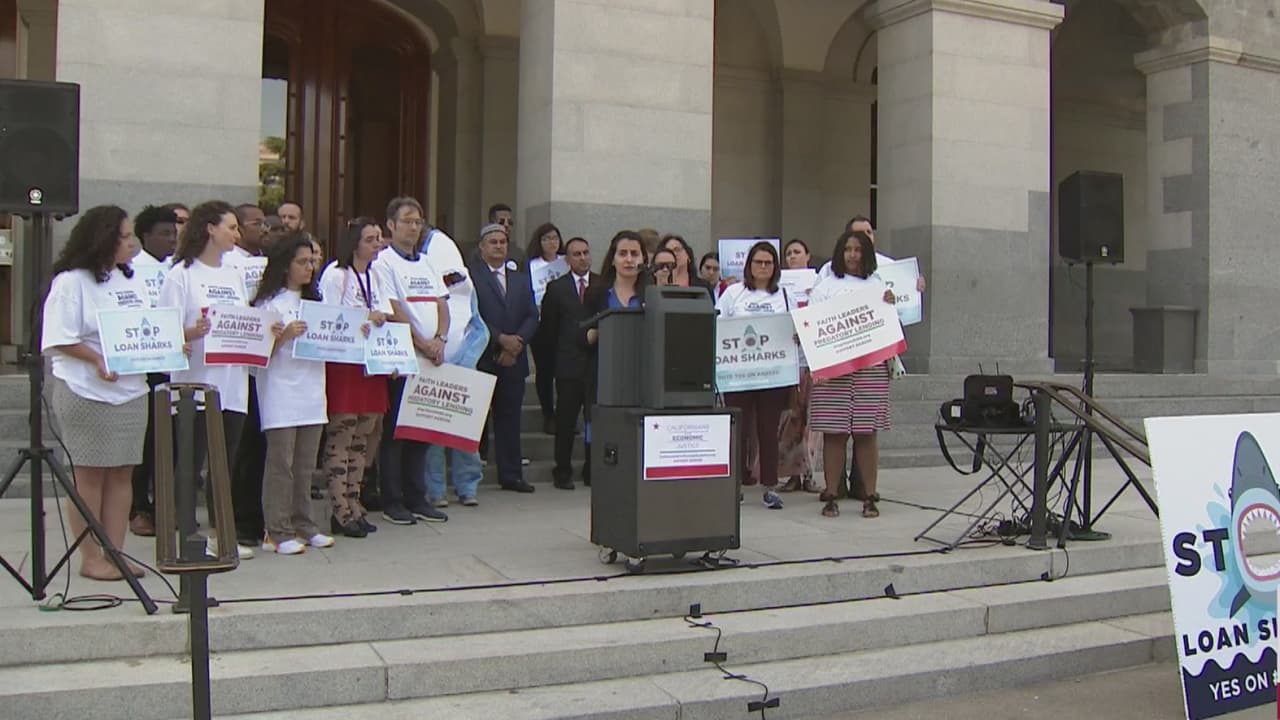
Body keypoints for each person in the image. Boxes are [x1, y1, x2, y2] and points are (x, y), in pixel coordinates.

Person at [42, 205, 151, 579]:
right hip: (86, 390)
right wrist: (96, 360)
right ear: (103, 239)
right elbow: (58, 338)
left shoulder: (131, 280)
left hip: (130, 391)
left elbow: (146, 328)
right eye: (125, 236)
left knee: (122, 473)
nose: (132, 243)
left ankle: (115, 553)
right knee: (89, 475)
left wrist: (172, 343)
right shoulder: (71, 283)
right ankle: (90, 558)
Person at [158, 200, 255, 558]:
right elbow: (164, 331)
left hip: (233, 383)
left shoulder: (234, 274)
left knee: (223, 462)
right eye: (231, 227)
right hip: (195, 384)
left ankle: (221, 534)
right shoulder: (181, 275)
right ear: (210, 229)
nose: (237, 234)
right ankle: (186, 534)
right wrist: (190, 332)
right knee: (191, 460)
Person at [251, 234, 335, 554]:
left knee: (304, 465)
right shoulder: (268, 304)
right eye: (302, 262)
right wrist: (284, 336)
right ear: (285, 265)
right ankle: (277, 530)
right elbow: (256, 355)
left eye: (312, 261)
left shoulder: (316, 302)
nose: (309, 268)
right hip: (280, 390)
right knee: (281, 464)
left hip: (312, 390)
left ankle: (305, 524)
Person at [371, 196, 450, 525]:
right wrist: (421, 342)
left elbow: (442, 303)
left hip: (431, 358)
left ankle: (418, 497)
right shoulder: (383, 262)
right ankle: (393, 499)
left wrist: (441, 339)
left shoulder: (427, 262)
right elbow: (393, 308)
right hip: (403, 357)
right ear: (391, 225)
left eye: (418, 221)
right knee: (397, 433)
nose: (414, 227)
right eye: (407, 221)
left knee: (422, 431)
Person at [809, 230, 896, 519]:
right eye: (847, 249)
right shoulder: (826, 286)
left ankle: (869, 496)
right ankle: (832, 494)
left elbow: (890, 325)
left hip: (870, 367)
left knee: (866, 432)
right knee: (834, 433)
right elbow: (813, 325)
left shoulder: (877, 285)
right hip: (833, 370)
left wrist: (890, 304)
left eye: (858, 250)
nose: (852, 255)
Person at [318, 218, 391, 537]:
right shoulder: (336, 274)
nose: (377, 244)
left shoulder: (377, 274)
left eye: (379, 238)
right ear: (354, 243)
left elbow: (385, 310)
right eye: (370, 239)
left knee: (364, 437)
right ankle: (339, 509)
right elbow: (328, 317)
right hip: (344, 363)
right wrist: (365, 317)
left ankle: (354, 502)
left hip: (370, 362)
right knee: (342, 435)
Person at [715, 241, 794, 509]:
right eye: (758, 262)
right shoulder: (733, 293)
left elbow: (794, 327)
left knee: (768, 431)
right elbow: (718, 325)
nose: (763, 267)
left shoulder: (784, 295)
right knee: (739, 430)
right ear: (749, 266)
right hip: (737, 375)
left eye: (768, 263)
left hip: (773, 375)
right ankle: (735, 485)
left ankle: (769, 486)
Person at [420, 222, 488, 509]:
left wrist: (467, 359)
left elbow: (479, 328)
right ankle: (435, 489)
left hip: (462, 364)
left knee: (464, 430)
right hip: (430, 361)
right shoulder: (423, 282)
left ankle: (468, 484)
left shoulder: (466, 289)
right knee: (432, 431)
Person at [469, 223, 539, 493]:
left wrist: (516, 343)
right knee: (475, 420)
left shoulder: (520, 278)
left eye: (502, 242)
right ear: (482, 247)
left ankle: (511, 475)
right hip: (484, 357)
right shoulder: (472, 277)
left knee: (510, 421)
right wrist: (500, 340)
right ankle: (470, 478)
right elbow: (473, 316)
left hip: (514, 360)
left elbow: (532, 315)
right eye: (493, 242)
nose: (499, 246)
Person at [127, 205, 181, 537]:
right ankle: (139, 507)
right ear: (145, 236)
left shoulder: (178, 269)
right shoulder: (133, 270)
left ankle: (165, 505)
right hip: (145, 365)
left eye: (174, 233)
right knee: (146, 443)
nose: (171, 239)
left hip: (174, 363)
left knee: (170, 441)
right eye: (164, 233)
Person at [539, 236, 598, 490]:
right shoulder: (557, 288)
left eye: (586, 252)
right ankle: (562, 470)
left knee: (594, 421)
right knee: (566, 421)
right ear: (567, 259)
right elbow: (549, 330)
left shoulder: (601, 284)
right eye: (576, 254)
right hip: (568, 366)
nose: (582, 258)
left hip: (595, 365)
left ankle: (592, 469)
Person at [777, 238, 822, 494]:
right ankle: (792, 475)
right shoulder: (778, 287)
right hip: (789, 362)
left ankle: (810, 475)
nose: (792, 256)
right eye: (788, 253)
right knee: (791, 421)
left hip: (813, 362)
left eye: (797, 252)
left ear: (807, 256)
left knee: (812, 425)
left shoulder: (819, 283)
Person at [525, 222, 565, 436]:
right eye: (547, 238)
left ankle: (565, 415)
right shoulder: (531, 265)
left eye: (555, 238)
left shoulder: (565, 262)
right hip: (541, 324)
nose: (552, 242)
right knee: (545, 370)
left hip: (564, 324)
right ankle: (548, 414)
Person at [659, 234, 714, 298]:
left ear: (688, 255)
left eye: (677, 250)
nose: (674, 254)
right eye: (669, 251)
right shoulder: (656, 284)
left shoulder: (703, 286)